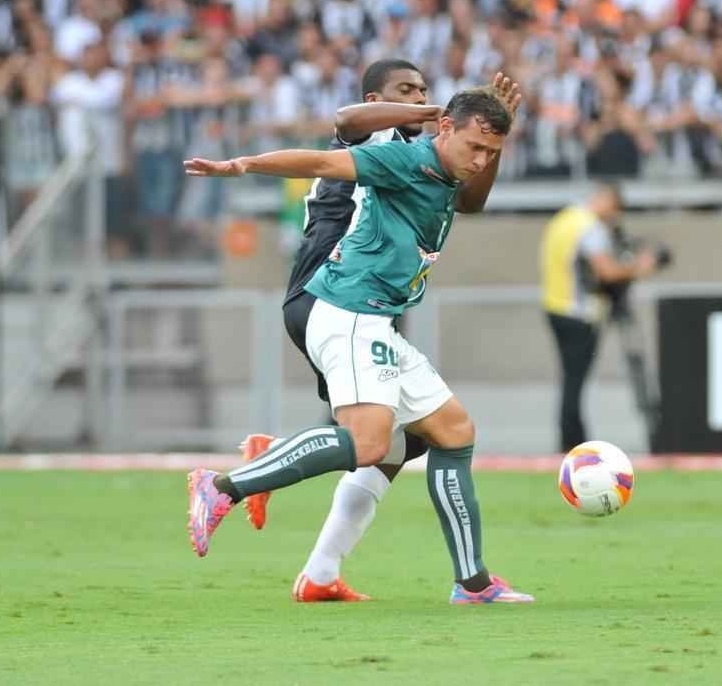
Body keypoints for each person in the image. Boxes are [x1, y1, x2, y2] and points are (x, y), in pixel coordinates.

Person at [183, 88, 535, 604]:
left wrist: (491, 148)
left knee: (453, 431)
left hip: (377, 319)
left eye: (491, 152)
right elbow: (324, 159)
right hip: (349, 312)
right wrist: (243, 165)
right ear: (444, 130)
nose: (480, 161)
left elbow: (475, 200)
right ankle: (221, 487)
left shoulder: (453, 171)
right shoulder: (404, 160)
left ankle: (473, 583)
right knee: (369, 444)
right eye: (475, 147)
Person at [244, 58, 442, 603]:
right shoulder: (361, 141)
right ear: (377, 101)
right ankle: (255, 474)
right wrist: (437, 112)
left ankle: (321, 572)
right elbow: (347, 117)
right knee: (376, 441)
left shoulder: (414, 155)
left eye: (425, 89)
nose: (420, 97)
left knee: (408, 441)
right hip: (328, 297)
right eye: (406, 90)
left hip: (365, 303)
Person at [540, 183, 657, 452]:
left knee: (570, 379)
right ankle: (572, 442)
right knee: (575, 382)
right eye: (615, 210)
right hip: (580, 312)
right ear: (607, 200)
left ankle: (571, 438)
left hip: (555, 306)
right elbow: (606, 272)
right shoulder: (590, 227)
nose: (614, 218)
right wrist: (640, 267)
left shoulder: (564, 219)